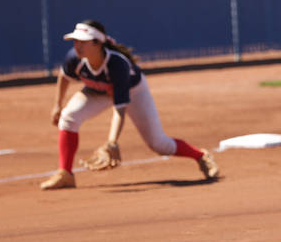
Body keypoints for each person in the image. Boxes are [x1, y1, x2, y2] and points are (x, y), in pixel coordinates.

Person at [40, 19, 221, 190]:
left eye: (83, 42)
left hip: (134, 92)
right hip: (97, 92)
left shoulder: (117, 65)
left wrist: (111, 142)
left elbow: (120, 110)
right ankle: (65, 173)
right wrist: (57, 105)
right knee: (68, 117)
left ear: (98, 43)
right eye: (76, 41)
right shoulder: (74, 58)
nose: (77, 46)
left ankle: (201, 156)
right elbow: (64, 77)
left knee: (159, 144)